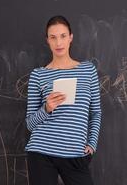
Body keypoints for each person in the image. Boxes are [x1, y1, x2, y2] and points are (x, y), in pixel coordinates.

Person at [25, 15, 101, 185]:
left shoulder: (88, 71)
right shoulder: (38, 75)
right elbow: (29, 124)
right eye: (53, 37)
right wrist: (47, 108)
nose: (58, 42)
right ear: (47, 41)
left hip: (76, 155)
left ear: (71, 38)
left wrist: (92, 144)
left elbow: (96, 112)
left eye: (63, 36)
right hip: (41, 152)